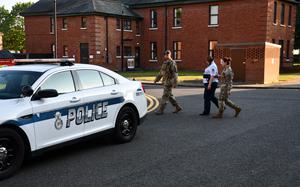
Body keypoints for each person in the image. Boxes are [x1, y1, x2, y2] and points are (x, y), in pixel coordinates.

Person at [154, 50, 182, 115]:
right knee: (169, 96)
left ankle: (161, 110)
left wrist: (175, 82)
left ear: (169, 54)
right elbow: (161, 72)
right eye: (166, 54)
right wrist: (156, 79)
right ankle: (177, 107)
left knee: (165, 95)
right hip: (166, 81)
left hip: (170, 81)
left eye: (168, 54)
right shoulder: (165, 63)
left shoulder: (172, 63)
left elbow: (175, 73)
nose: (166, 55)